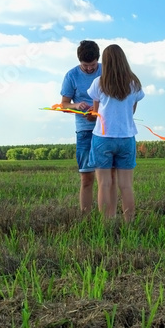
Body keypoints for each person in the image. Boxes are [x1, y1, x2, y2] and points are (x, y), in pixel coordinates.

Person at [87, 44, 144, 222]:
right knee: (126, 186)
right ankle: (129, 224)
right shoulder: (134, 83)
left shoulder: (99, 82)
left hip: (103, 138)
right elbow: (132, 110)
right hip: (126, 138)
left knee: (104, 184)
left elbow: (96, 113)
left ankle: (106, 224)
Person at [60, 40, 106, 213]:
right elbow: (63, 104)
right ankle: (85, 216)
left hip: (105, 129)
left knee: (106, 178)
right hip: (84, 130)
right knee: (87, 177)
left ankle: (106, 216)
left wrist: (97, 112)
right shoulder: (71, 75)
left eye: (92, 65)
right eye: (85, 65)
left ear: (98, 60)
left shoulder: (106, 70)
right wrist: (76, 106)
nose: (89, 69)